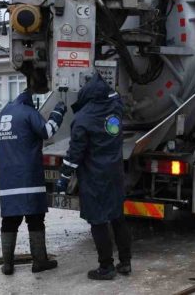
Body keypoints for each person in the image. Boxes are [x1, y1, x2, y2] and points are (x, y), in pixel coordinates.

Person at [55, 73, 132, 280]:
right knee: (118, 217)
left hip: (94, 177)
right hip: (115, 173)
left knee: (98, 221)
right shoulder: (115, 110)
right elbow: (116, 97)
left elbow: (75, 153)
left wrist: (64, 176)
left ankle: (106, 267)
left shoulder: (82, 119)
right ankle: (125, 262)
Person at [0, 89, 67, 275]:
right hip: (28, 178)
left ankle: (8, 265)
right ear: (30, 102)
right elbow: (48, 131)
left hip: (7, 178)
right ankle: (39, 262)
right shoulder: (28, 113)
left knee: (9, 220)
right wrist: (58, 112)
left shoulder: (2, 114)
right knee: (35, 219)